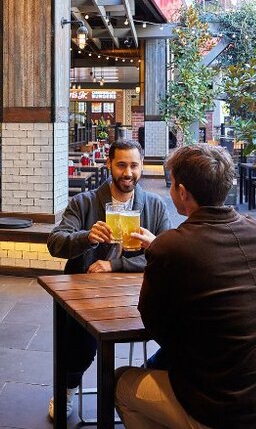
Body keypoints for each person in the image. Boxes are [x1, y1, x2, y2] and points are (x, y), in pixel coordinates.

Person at [115, 144, 256, 429]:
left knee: (121, 383)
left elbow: (156, 326)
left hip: (229, 417)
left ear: (182, 193)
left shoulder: (173, 246)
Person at [46, 139, 171, 420]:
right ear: (109, 165)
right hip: (89, 295)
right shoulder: (84, 202)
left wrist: (115, 264)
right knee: (79, 340)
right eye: (121, 165)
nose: (128, 173)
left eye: (134, 165)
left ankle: (147, 382)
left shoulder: (154, 205)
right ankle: (66, 388)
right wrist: (86, 237)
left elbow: (166, 252)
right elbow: (55, 243)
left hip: (137, 295)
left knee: (177, 327)